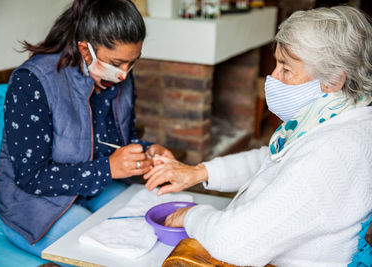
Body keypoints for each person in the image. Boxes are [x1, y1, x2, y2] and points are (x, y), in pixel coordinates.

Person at [144, 6, 372, 267]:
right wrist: (199, 172)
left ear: (333, 81)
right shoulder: (341, 117)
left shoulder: (333, 152)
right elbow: (274, 161)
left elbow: (233, 242)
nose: (271, 77)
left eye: (286, 69)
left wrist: (191, 216)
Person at [0, 0, 174, 257]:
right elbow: (30, 177)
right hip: (32, 203)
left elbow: (119, 141)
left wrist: (147, 152)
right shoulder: (32, 82)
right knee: (109, 254)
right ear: (85, 50)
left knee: (153, 227)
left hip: (92, 187)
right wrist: (110, 167)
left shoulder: (119, 77)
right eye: (117, 63)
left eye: (132, 63)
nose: (124, 75)